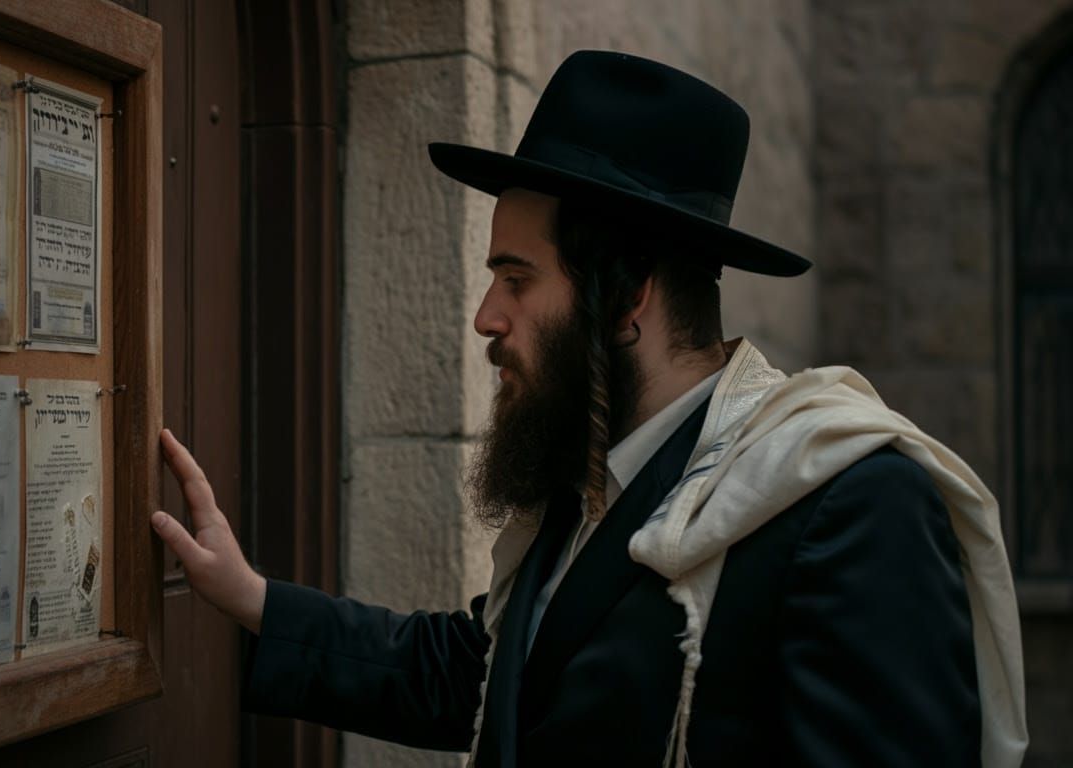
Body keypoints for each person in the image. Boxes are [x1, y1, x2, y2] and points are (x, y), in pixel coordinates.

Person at [151, 51, 1027, 767]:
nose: (487, 317)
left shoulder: (847, 503)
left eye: (517, 279)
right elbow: (486, 677)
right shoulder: (589, 480)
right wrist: (253, 595)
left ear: (623, 297)